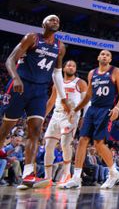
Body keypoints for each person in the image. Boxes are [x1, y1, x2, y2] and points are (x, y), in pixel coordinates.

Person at [0, 14, 70, 189]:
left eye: (57, 21)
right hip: (21, 86)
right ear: (43, 23)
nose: (55, 21)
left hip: (40, 91)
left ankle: (28, 174)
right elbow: (10, 60)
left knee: (36, 130)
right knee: (7, 127)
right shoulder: (32, 37)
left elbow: (56, 73)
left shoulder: (60, 47)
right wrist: (15, 78)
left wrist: (63, 98)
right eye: (51, 19)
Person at [60, 49, 119, 190]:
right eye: (102, 54)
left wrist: (117, 108)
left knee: (98, 144)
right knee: (82, 140)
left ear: (110, 59)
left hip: (106, 110)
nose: (104, 56)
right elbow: (88, 96)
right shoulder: (92, 73)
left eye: (107, 55)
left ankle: (113, 172)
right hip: (92, 109)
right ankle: (76, 178)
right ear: (98, 57)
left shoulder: (116, 71)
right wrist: (75, 110)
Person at [41, 59, 86, 187]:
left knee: (65, 144)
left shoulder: (80, 83)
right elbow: (51, 101)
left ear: (75, 69)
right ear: (64, 68)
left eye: (73, 65)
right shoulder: (57, 83)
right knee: (48, 145)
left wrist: (84, 116)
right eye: (69, 65)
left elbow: (86, 101)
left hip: (71, 115)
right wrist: (42, 117)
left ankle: (66, 174)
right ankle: (47, 177)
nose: (71, 67)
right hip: (56, 114)